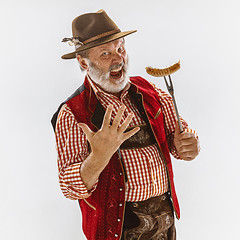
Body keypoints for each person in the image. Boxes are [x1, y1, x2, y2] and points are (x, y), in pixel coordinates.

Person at [51, 9, 200, 240]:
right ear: (83, 61)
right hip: (117, 230)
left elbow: (177, 132)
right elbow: (69, 188)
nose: (118, 58)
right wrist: (98, 157)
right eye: (105, 54)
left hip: (165, 223)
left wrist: (188, 143)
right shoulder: (73, 112)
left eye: (120, 49)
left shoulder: (149, 91)